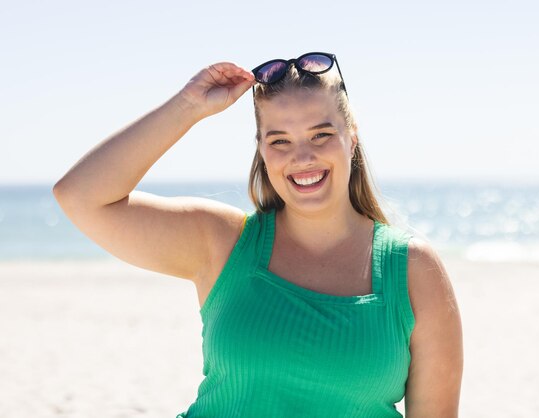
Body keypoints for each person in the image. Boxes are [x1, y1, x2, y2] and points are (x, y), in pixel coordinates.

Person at [53, 52, 463, 417]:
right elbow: (80, 197)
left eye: (321, 135)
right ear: (261, 150)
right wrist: (188, 106)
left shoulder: (410, 270)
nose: (301, 157)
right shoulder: (223, 243)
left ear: (351, 139)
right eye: (279, 140)